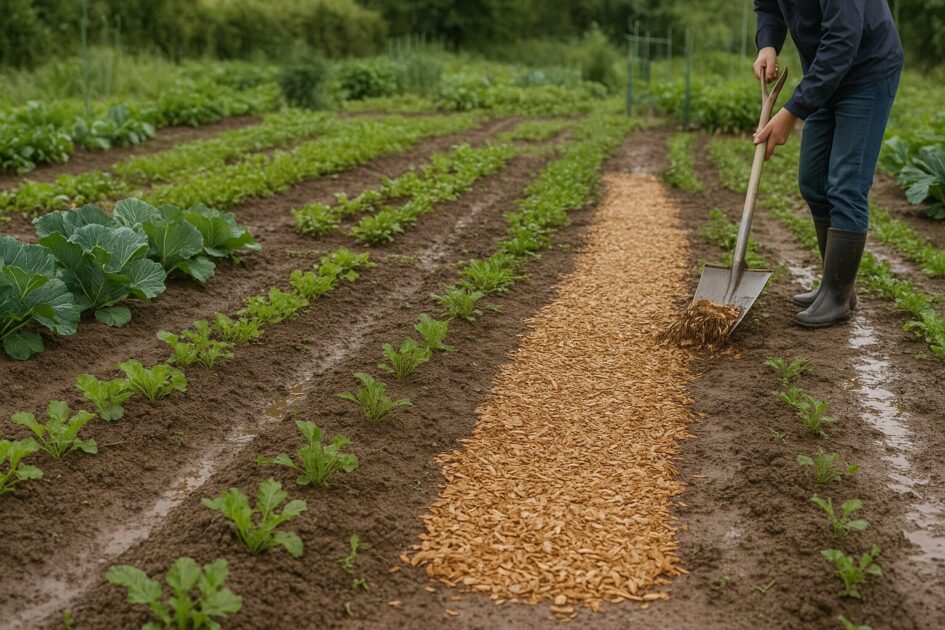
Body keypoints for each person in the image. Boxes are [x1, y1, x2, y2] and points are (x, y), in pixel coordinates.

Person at [751, 0, 904, 328]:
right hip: (825, 73)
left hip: (866, 71)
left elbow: (843, 39)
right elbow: (767, 5)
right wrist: (768, 43)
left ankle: (837, 296)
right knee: (812, 179)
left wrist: (792, 112)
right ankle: (835, 286)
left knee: (846, 184)